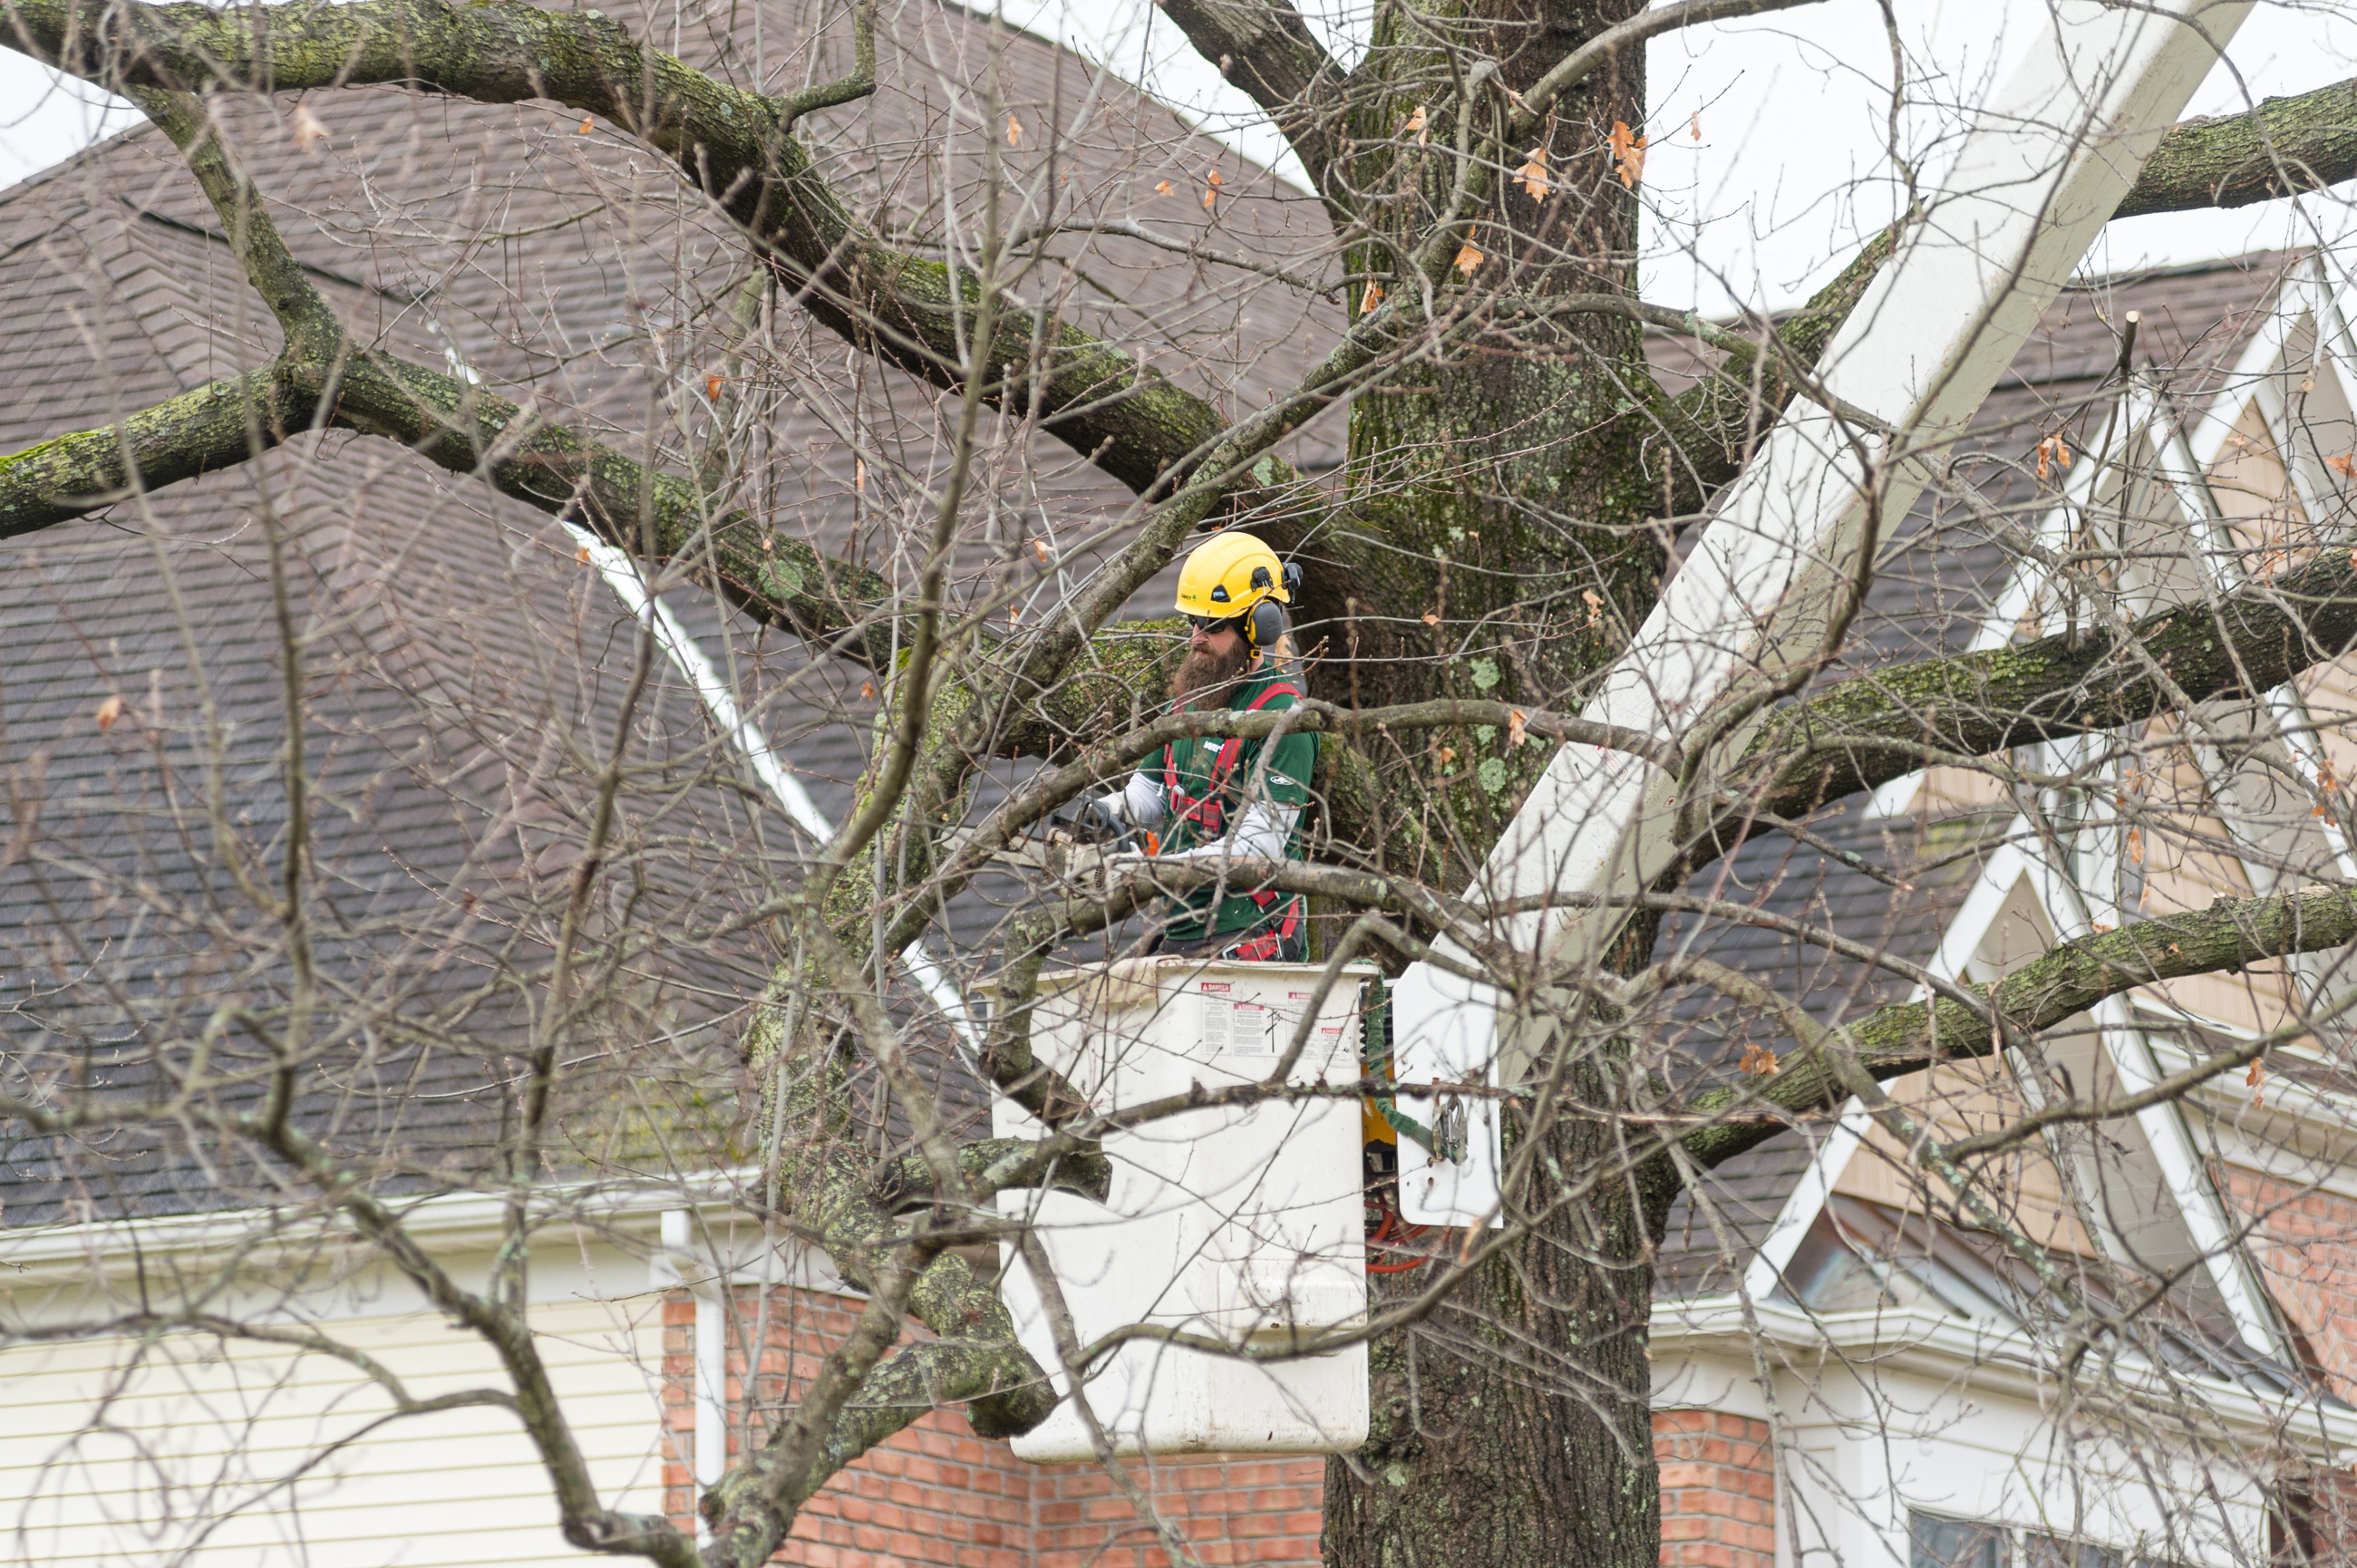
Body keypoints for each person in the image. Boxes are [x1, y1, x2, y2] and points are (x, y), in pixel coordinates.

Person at [1089, 531, 1317, 962]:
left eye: (1212, 624)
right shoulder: (1191, 701)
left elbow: (1257, 849)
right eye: (1192, 621)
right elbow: (1151, 792)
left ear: (1259, 624)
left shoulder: (1285, 719)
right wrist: (1107, 814)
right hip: (1185, 928)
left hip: (1251, 938)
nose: (1195, 636)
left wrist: (1154, 870)